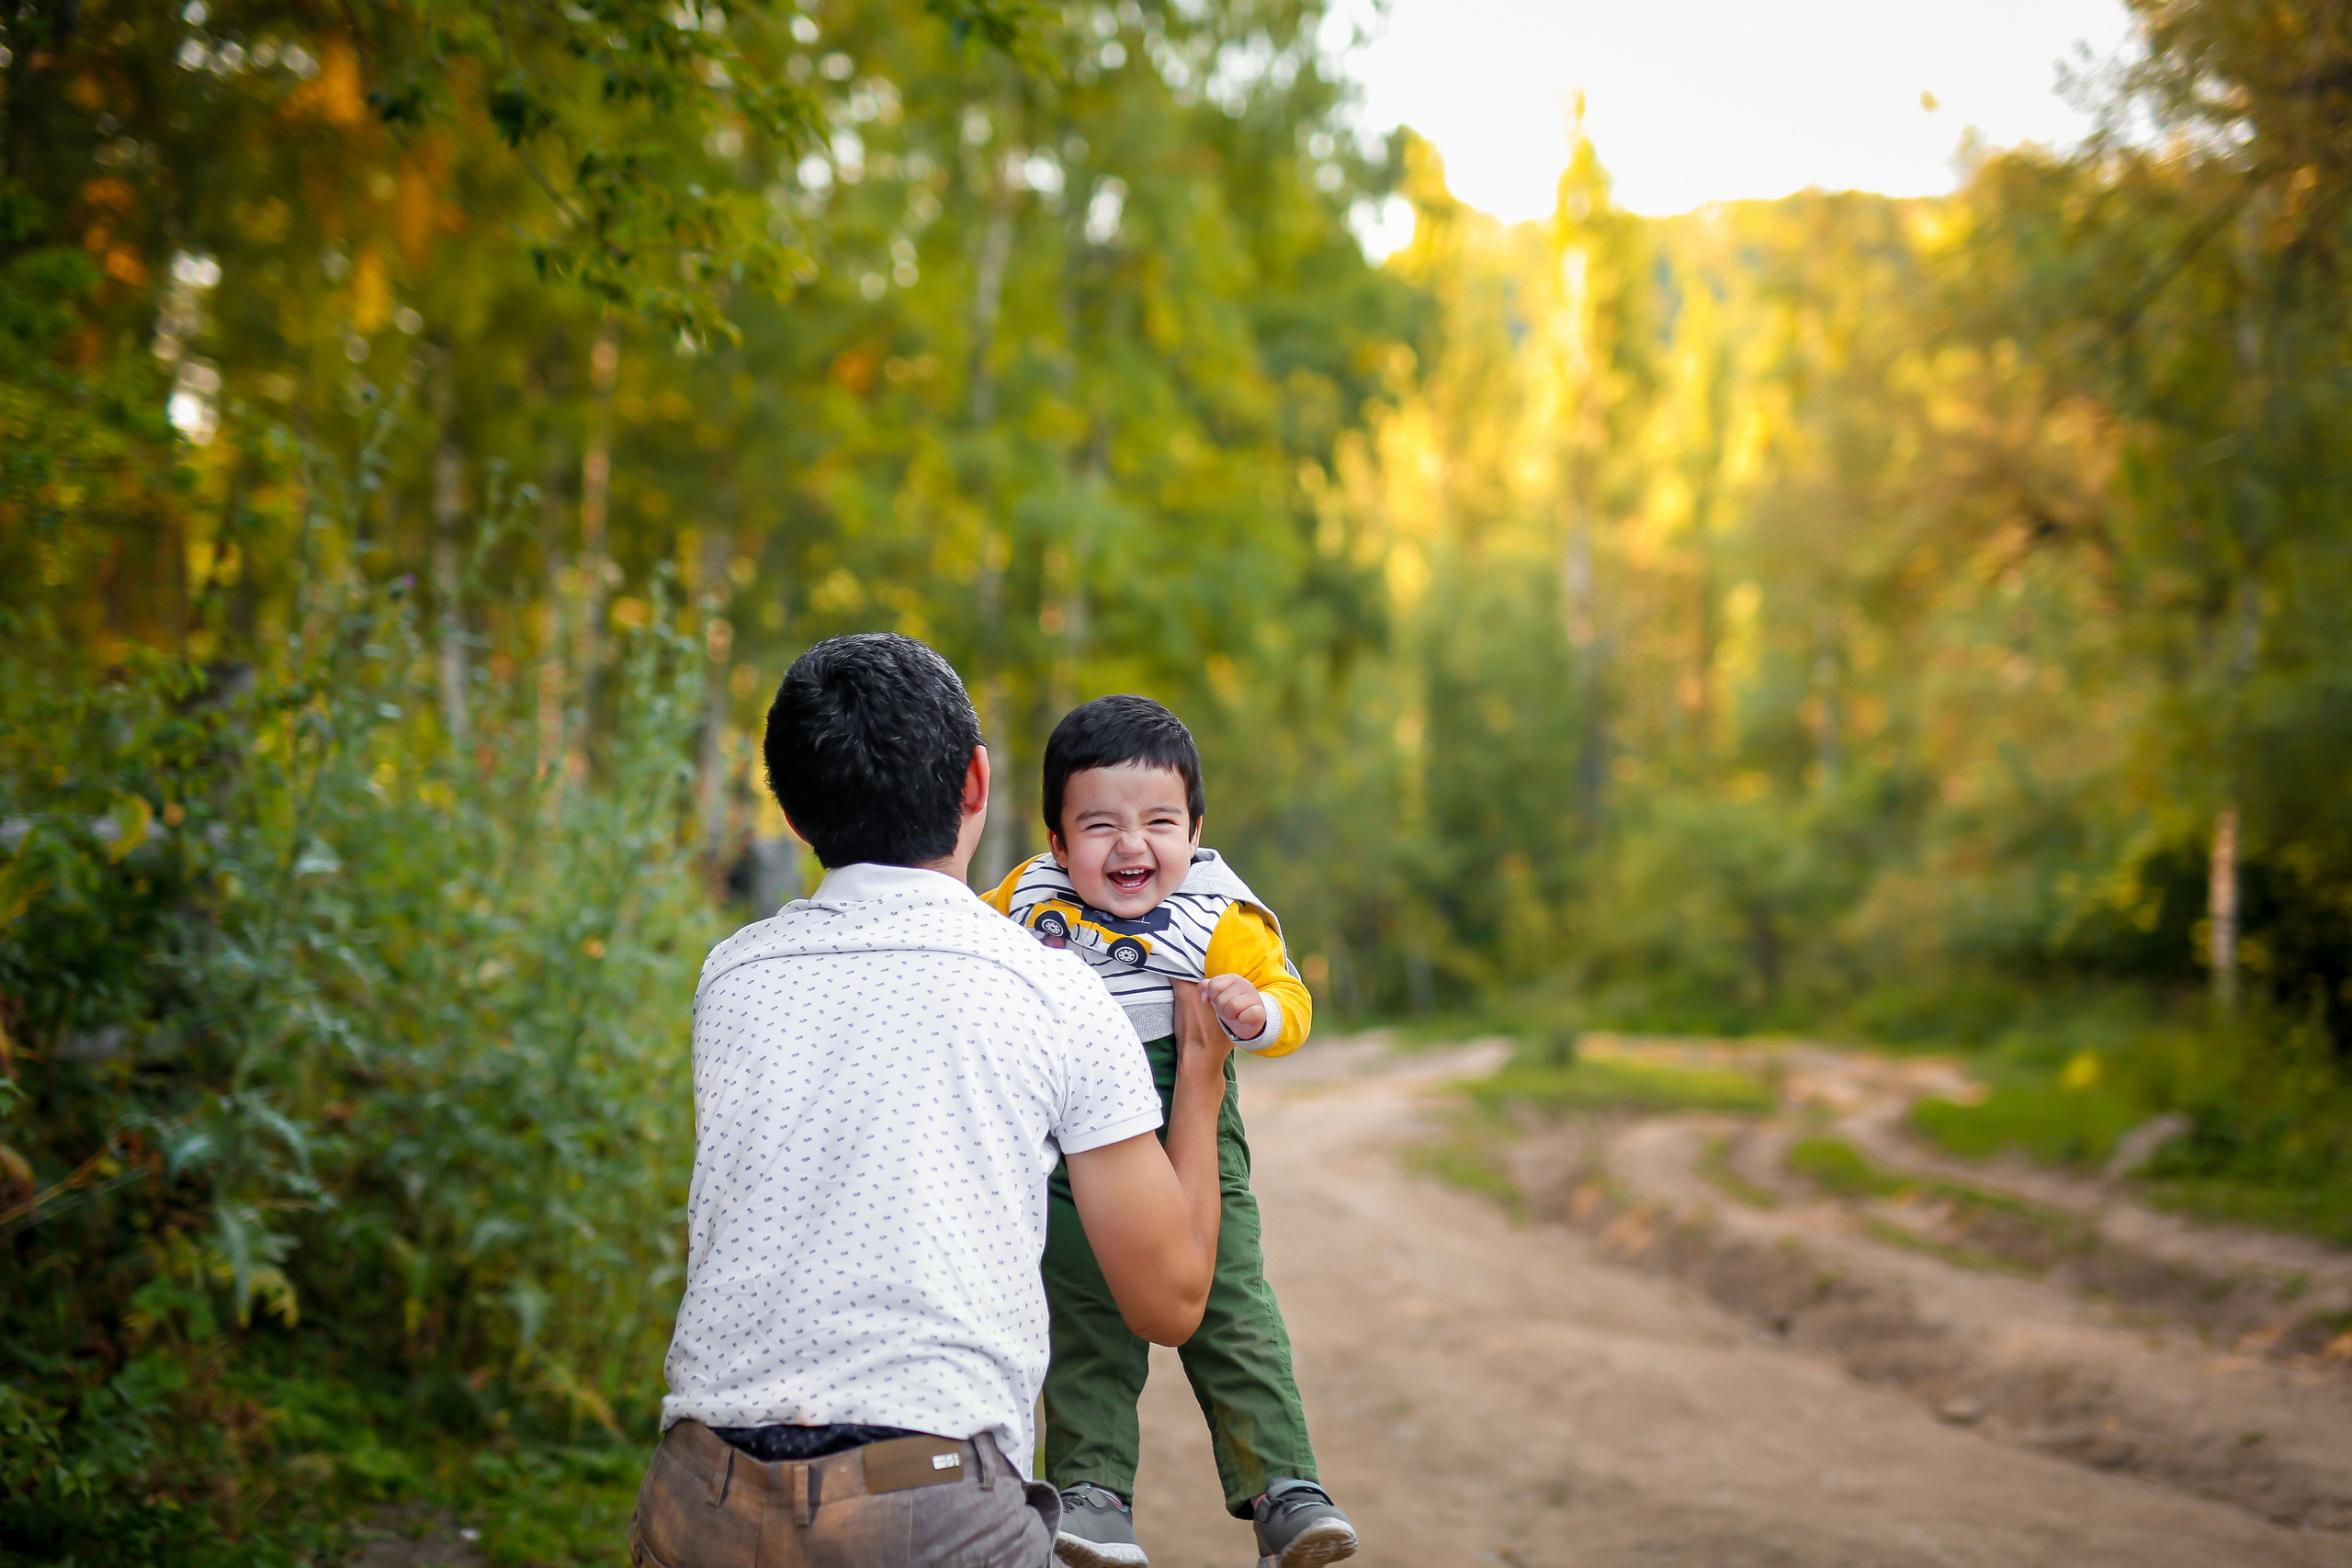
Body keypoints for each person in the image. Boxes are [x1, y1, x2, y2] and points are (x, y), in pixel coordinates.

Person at [634, 635, 1239, 1568]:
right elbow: (1168, 1302)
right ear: (976, 783)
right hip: (929, 1507)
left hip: (699, 1499)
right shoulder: (1049, 989)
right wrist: (1196, 1091)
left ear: (794, 814)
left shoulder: (733, 975)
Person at [981, 694, 1358, 1568]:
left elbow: (1293, 999)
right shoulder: (1024, 903)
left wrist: (1253, 1010)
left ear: (1195, 829)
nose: (1131, 845)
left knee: (1228, 1300)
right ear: (1057, 840)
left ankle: (1285, 1487)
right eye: (1099, 824)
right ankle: (1093, 1492)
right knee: (1083, 1307)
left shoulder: (1222, 912)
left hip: (1181, 1109)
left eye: (1158, 821)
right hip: (1075, 1131)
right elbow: (971, 955)